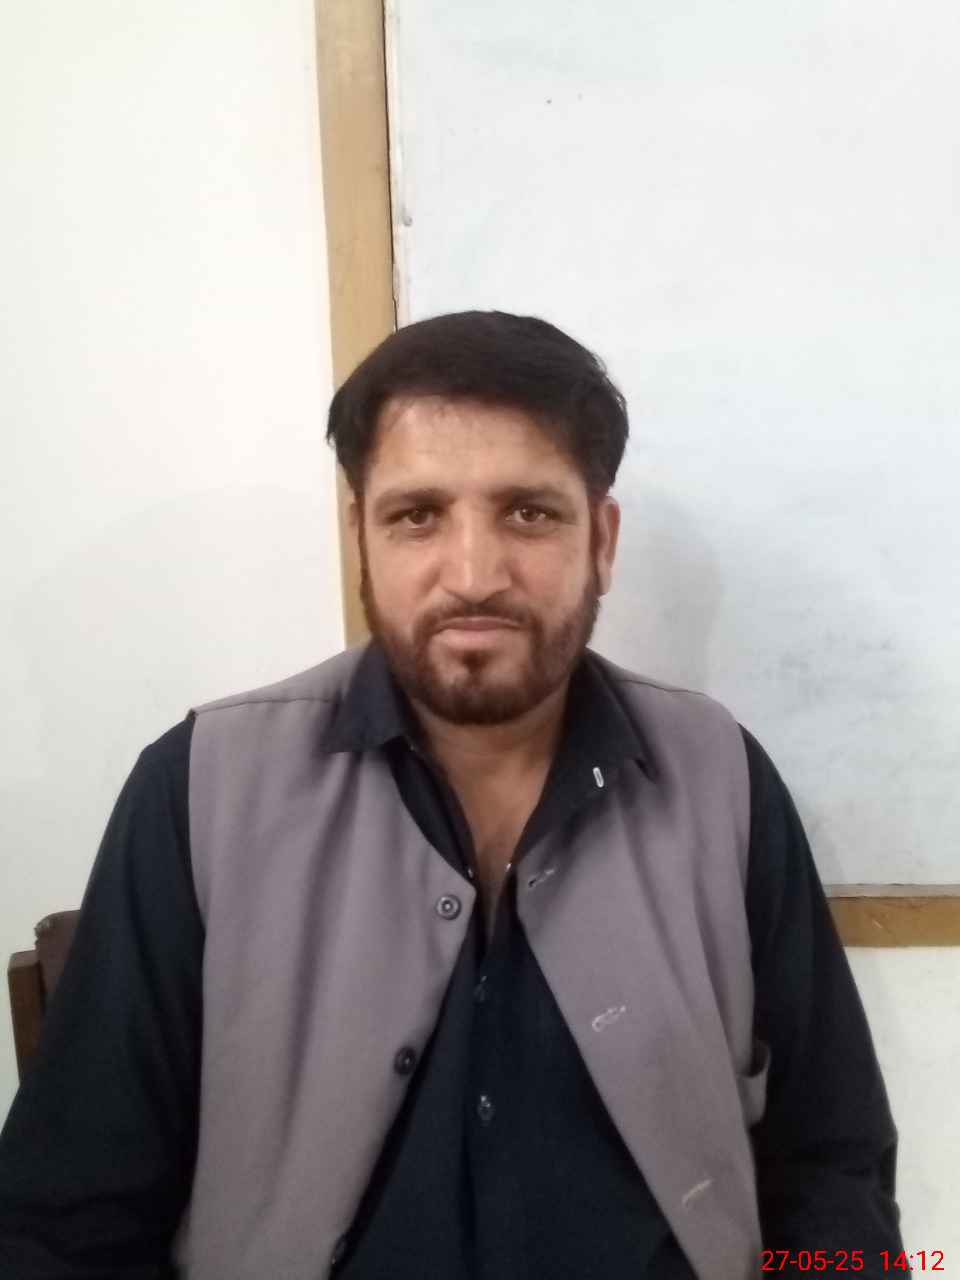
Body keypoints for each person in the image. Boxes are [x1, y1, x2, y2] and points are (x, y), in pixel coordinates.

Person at [0, 311, 903, 1279]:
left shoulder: (721, 775)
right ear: (361, 537)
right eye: (418, 515)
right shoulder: (200, 786)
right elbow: (69, 1217)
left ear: (601, 539)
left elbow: (831, 1164)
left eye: (529, 513)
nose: (474, 575)